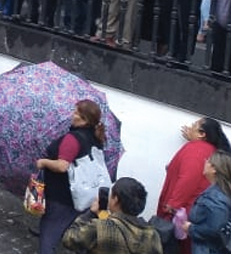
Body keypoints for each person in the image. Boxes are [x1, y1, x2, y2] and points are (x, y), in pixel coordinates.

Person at [35, 99, 109, 254]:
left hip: (62, 197)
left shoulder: (73, 139)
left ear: (85, 120)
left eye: (76, 112)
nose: (72, 114)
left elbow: (62, 166)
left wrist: (43, 162)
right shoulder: (96, 138)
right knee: (77, 234)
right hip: (85, 196)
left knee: (48, 236)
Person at [157, 117, 231, 253]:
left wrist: (173, 204)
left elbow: (188, 178)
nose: (189, 127)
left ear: (202, 134)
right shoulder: (207, 149)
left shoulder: (197, 150)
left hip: (184, 213)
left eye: (194, 125)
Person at [61, 177, 162, 254]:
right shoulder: (152, 235)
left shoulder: (101, 228)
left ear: (116, 199)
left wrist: (90, 213)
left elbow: (69, 238)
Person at [182, 151, 231, 254]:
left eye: (208, 161)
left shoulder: (216, 196)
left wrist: (191, 228)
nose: (205, 162)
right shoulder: (220, 191)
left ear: (214, 169)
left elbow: (215, 228)